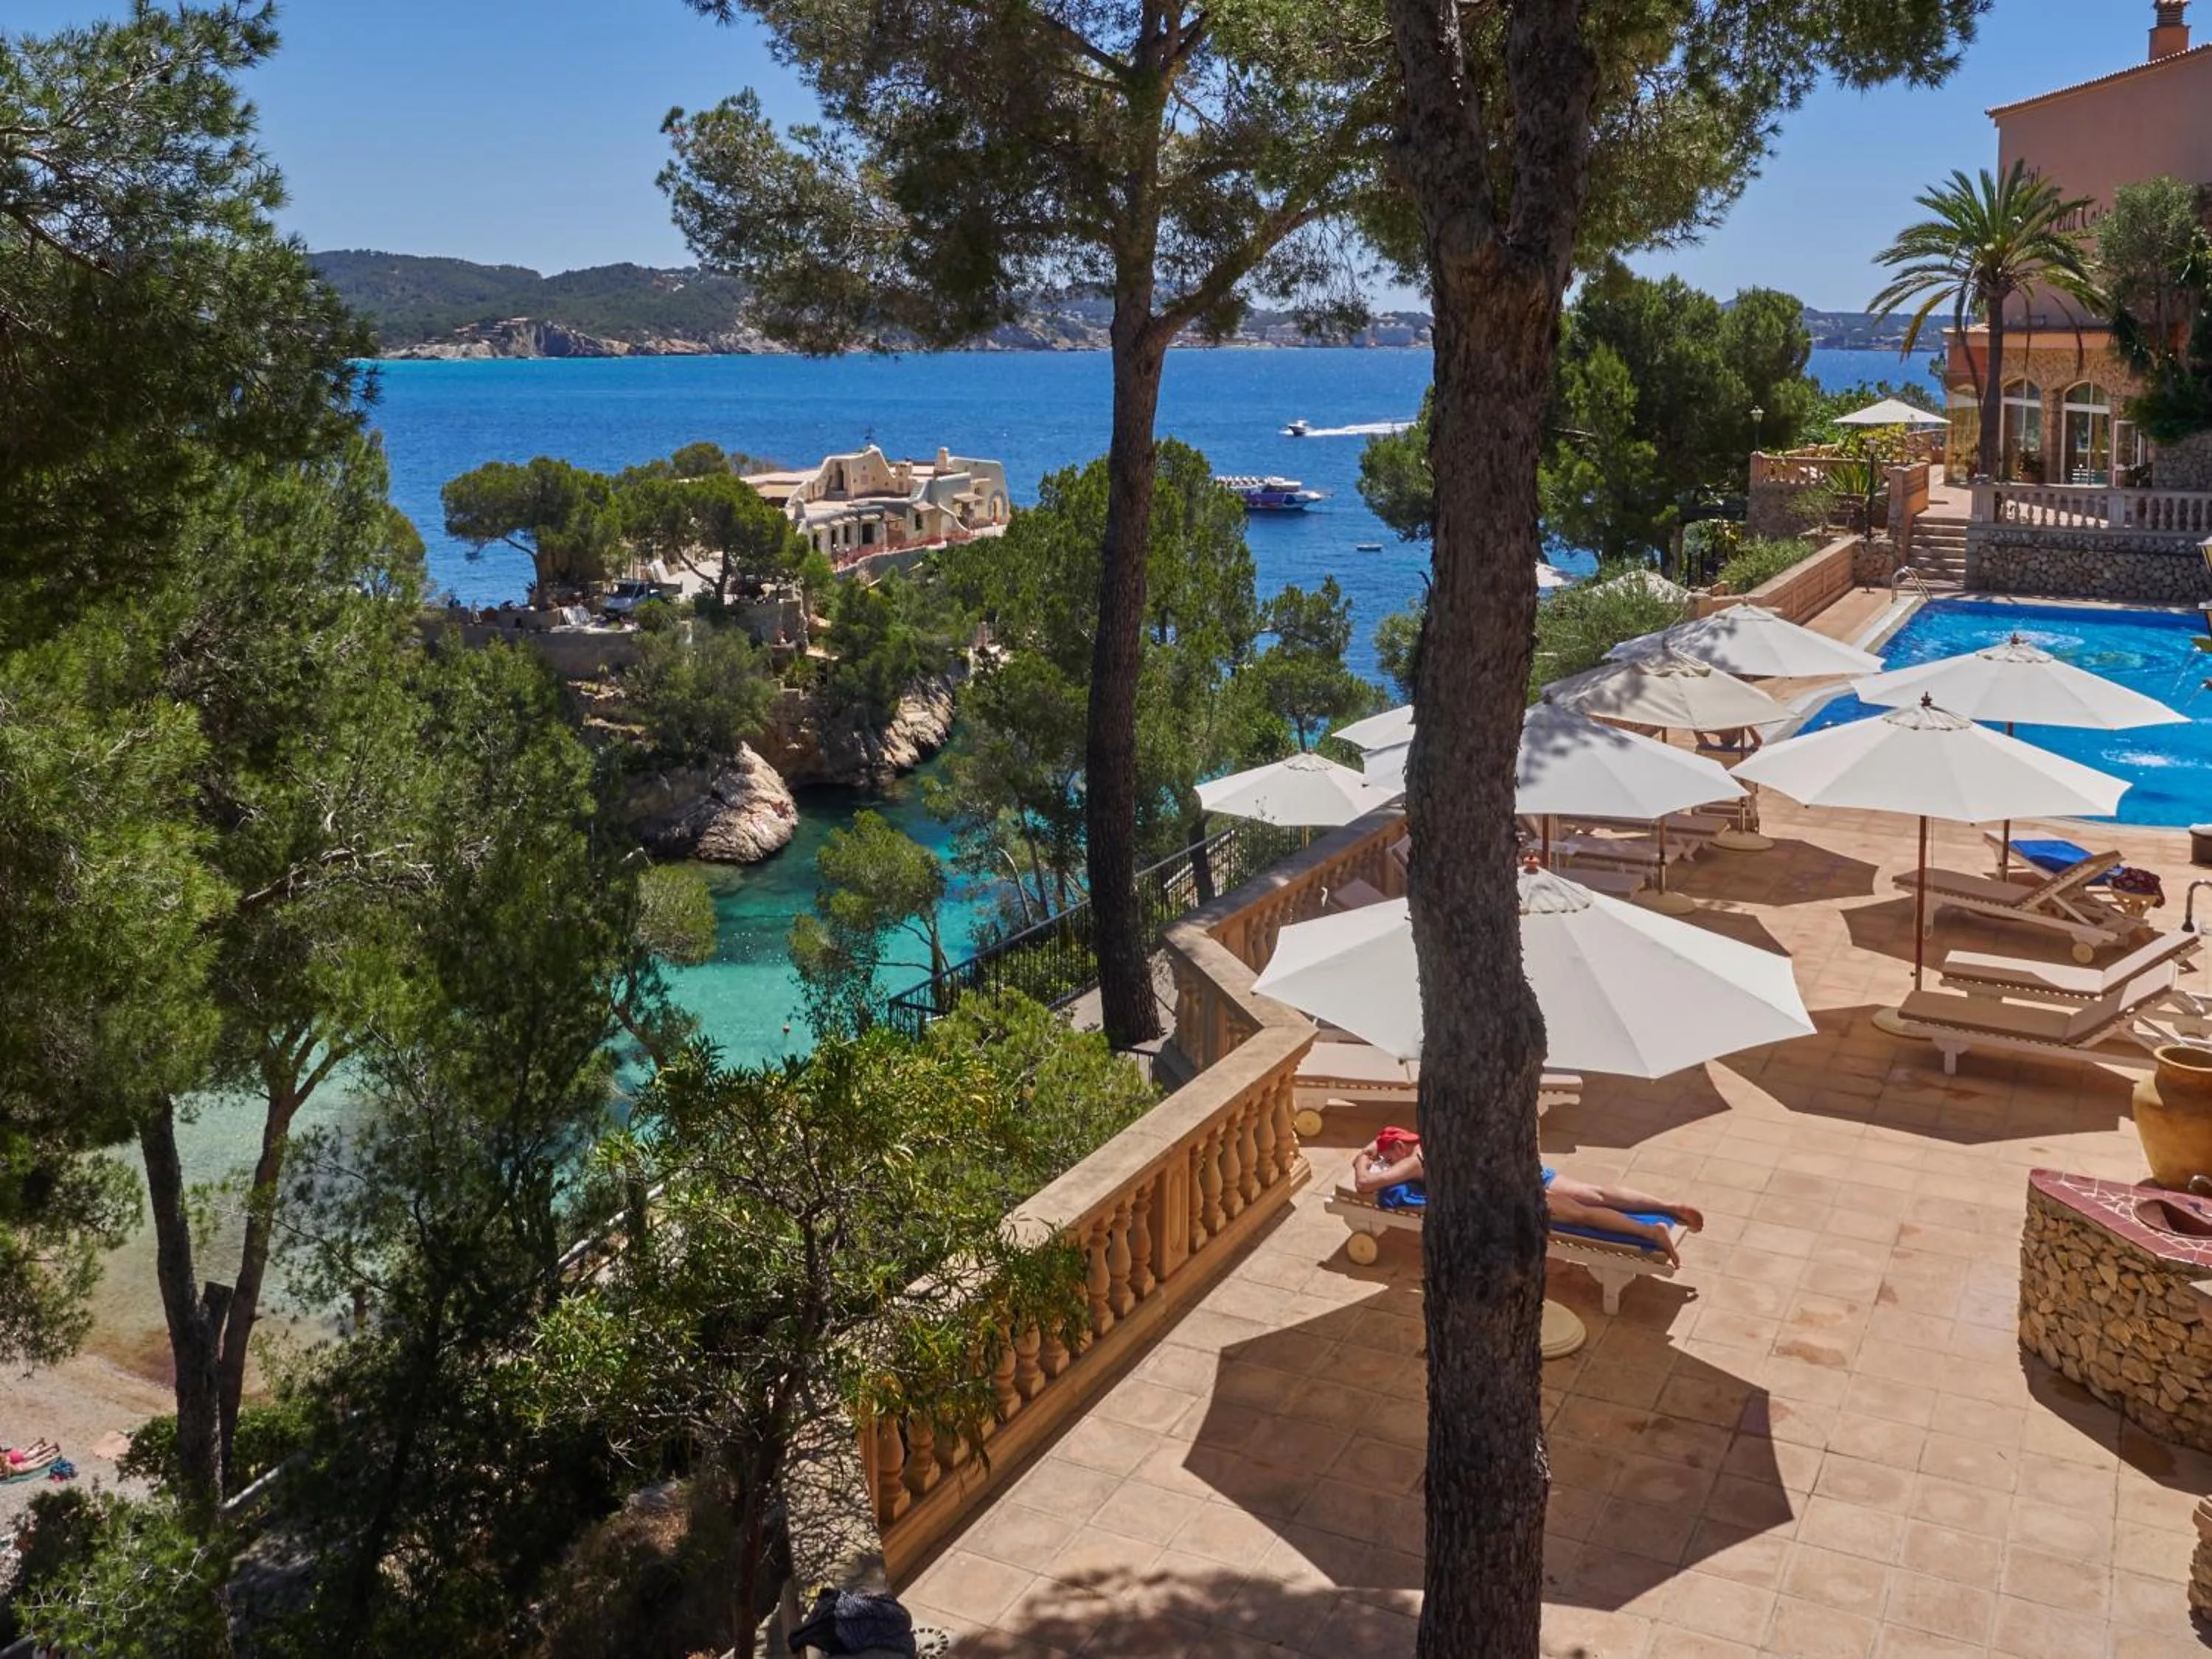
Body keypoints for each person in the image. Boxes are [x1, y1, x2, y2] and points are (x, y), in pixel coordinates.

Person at [1350, 1130, 1703, 1262]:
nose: (1387, 1162)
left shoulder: (1414, 1162)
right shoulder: (1439, 1128)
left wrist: (1361, 1160)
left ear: (1399, 1148)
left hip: (1508, 1191)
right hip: (1524, 1169)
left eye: (1388, 1156)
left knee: (1580, 1215)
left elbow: (1366, 1185)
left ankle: (1649, 1231)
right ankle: (1667, 1206)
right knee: (1595, 1193)